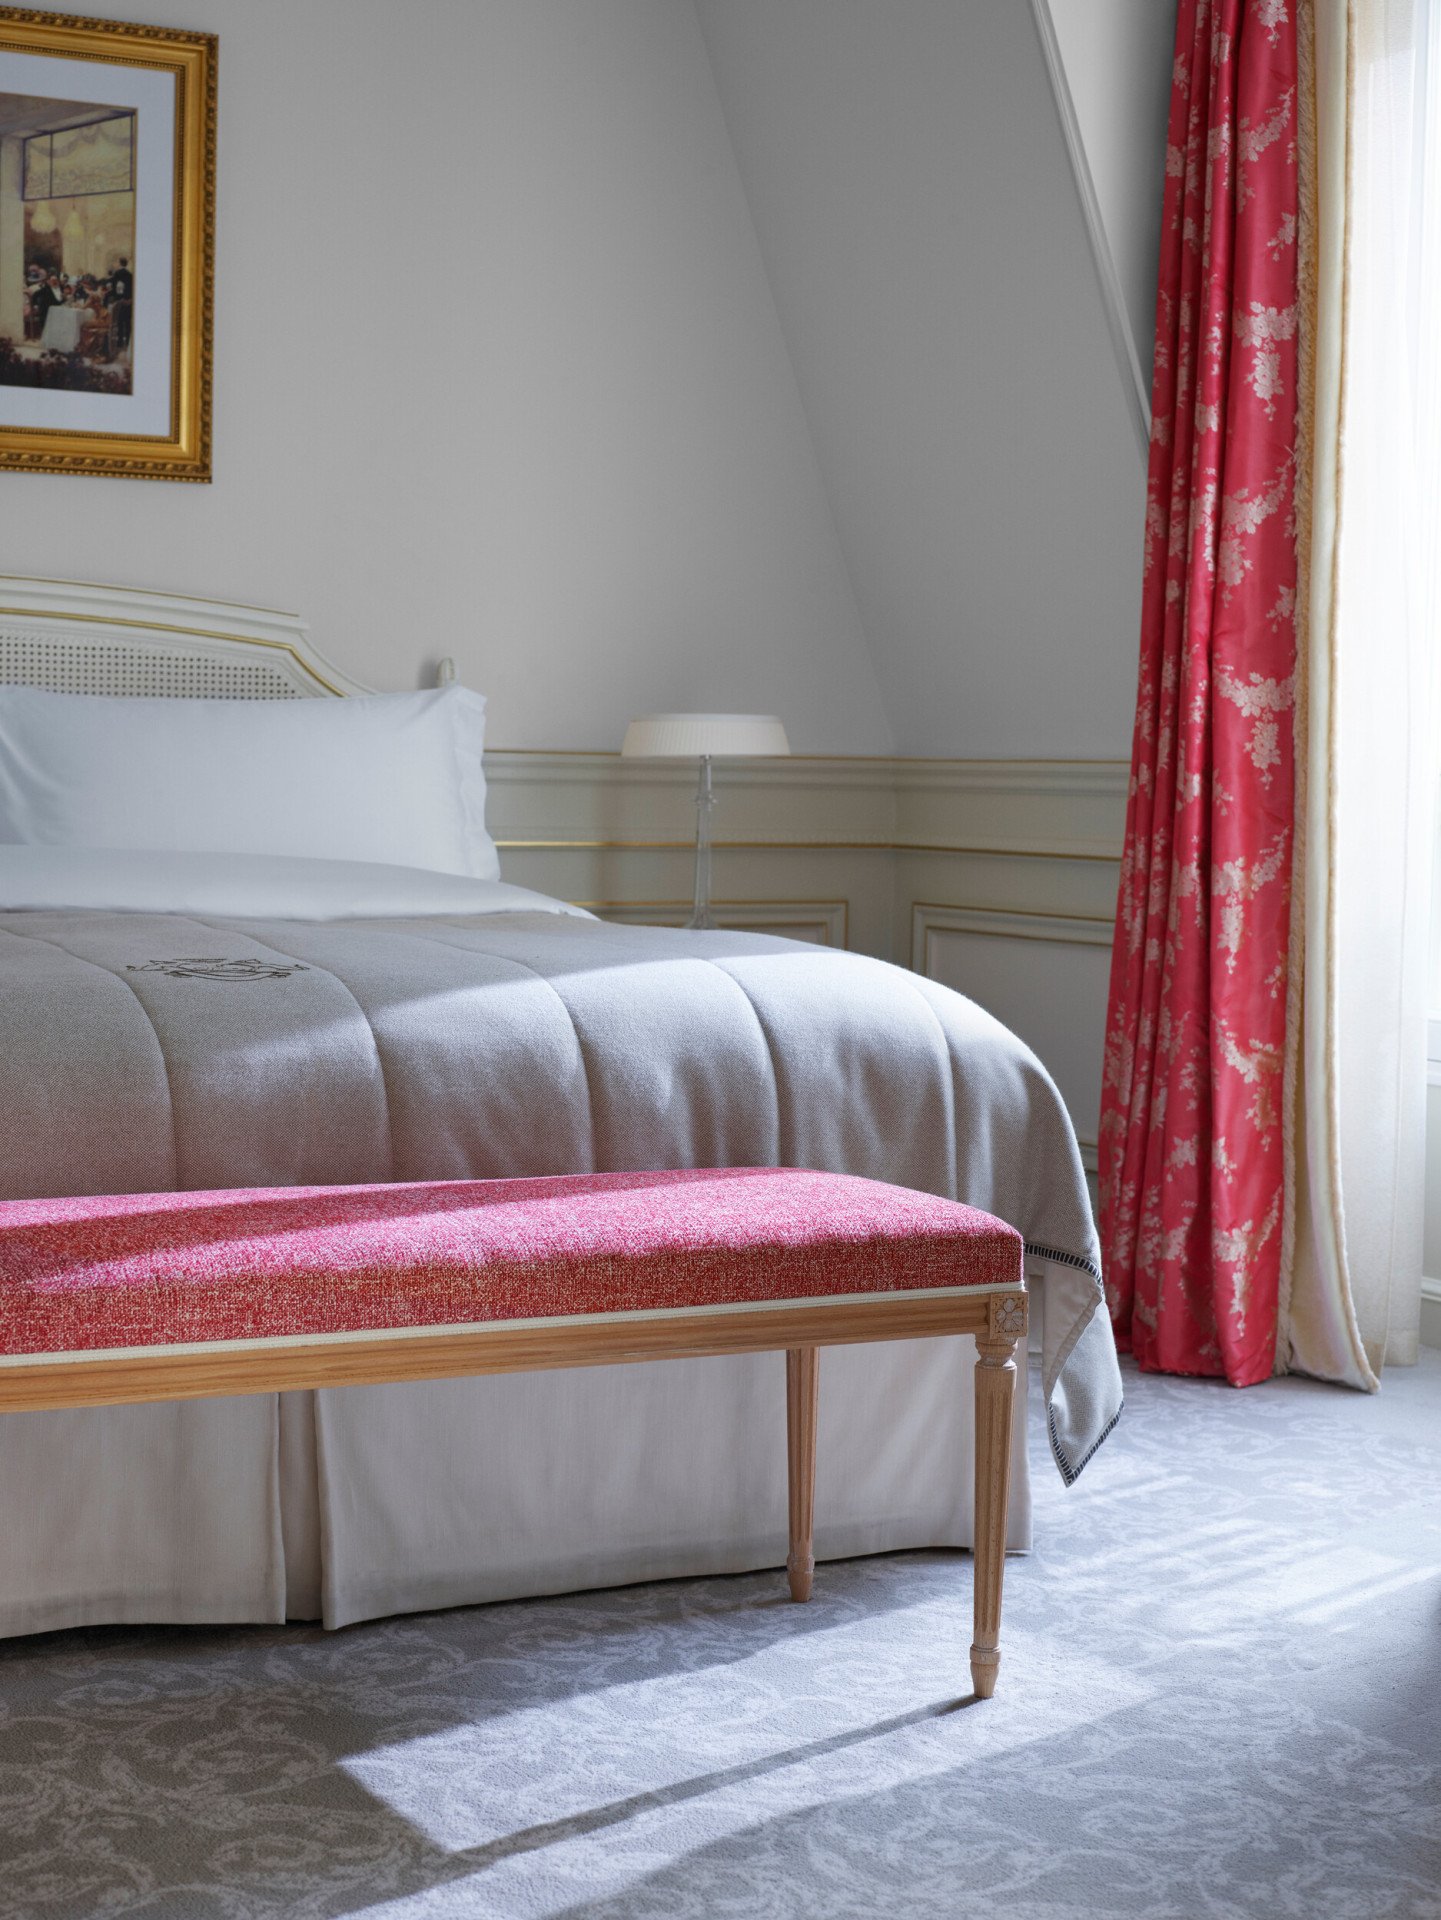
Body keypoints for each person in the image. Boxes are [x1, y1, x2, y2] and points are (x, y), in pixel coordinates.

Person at [109, 256, 133, 351]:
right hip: (128, 301)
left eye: (117, 262)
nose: (116, 264)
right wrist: (129, 299)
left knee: (119, 321)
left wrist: (119, 299)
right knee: (127, 322)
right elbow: (131, 288)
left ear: (120, 263)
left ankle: (119, 342)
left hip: (120, 301)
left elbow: (114, 289)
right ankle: (127, 342)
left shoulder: (117, 274)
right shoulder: (130, 274)